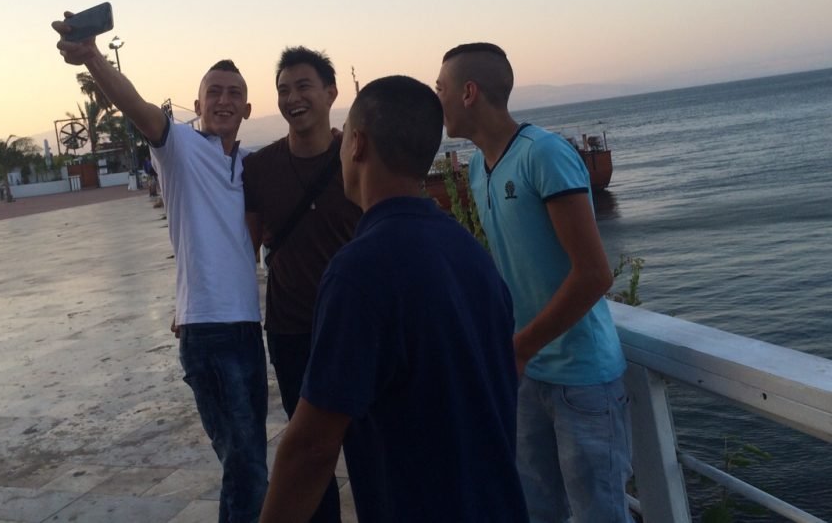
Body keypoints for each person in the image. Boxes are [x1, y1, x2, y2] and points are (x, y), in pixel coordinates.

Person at [260, 75, 527, 523]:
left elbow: (312, 447)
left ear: (358, 144)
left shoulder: (358, 272)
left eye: (345, 139)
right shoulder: (470, 253)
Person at [53, 14, 268, 523]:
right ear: (197, 105)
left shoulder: (249, 164)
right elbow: (137, 107)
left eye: (233, 93)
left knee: (246, 464)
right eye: (213, 91)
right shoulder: (178, 146)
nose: (223, 100)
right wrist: (93, 58)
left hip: (247, 331)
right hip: (211, 334)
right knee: (249, 471)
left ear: (247, 108)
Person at [436, 43, 631, 523]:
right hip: (527, 374)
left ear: (468, 93)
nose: (434, 99)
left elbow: (594, 274)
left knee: (599, 514)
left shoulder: (544, 154)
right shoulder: (480, 168)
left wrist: (520, 347)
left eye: (439, 88)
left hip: (582, 378)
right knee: (535, 511)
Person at [242, 47, 362, 523]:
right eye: (284, 90)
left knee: (371, 443)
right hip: (291, 330)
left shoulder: (359, 154)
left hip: (355, 327)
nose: (293, 98)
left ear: (331, 93)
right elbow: (243, 249)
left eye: (303, 86)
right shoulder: (260, 168)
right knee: (311, 452)